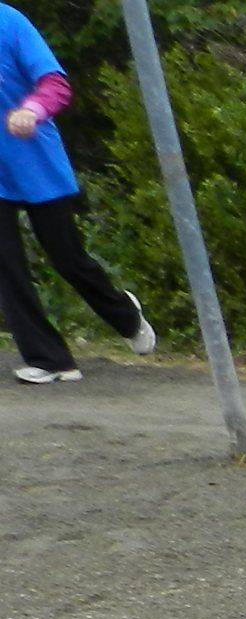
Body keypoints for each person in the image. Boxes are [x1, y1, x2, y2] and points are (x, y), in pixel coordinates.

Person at [0, 3, 153, 385]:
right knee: (6, 268)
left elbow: (55, 84)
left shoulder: (10, 22)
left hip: (35, 162)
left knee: (68, 258)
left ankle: (125, 315)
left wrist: (32, 110)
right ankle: (50, 360)